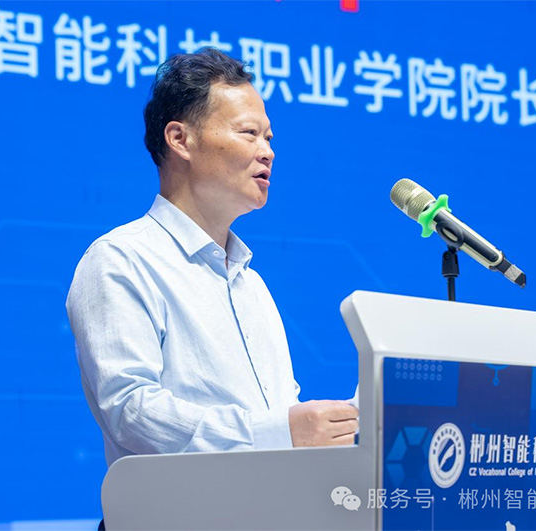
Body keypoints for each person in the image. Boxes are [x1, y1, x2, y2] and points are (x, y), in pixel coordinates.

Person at [66, 48, 359, 472]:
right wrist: (279, 433)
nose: (267, 152)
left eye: (269, 138)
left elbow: (278, 415)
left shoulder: (250, 284)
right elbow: (131, 410)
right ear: (179, 139)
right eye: (249, 133)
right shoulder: (121, 259)